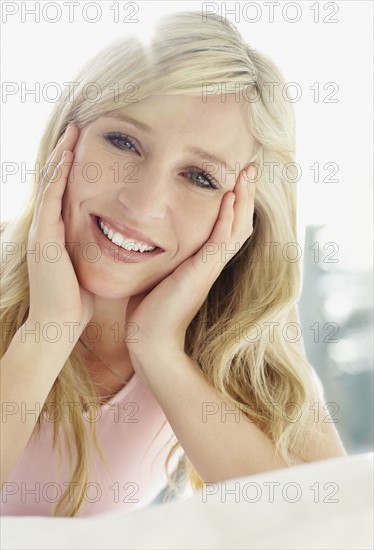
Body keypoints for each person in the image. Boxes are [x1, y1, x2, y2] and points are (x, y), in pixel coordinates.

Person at [0, 11, 346, 517]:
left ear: (244, 213)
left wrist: (160, 351)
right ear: (65, 139)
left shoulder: (239, 338)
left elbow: (330, 522)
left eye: (200, 177)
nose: (142, 203)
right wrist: (47, 332)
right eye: (123, 141)